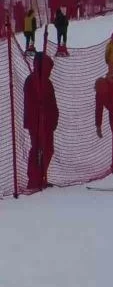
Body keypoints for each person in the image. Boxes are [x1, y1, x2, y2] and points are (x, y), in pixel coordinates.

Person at [23, 52, 59, 190]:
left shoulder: (47, 82)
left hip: (47, 122)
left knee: (48, 149)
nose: (49, 71)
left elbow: (52, 102)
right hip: (35, 122)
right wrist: (38, 118)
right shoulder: (32, 81)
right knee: (37, 148)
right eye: (47, 68)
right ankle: (34, 180)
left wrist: (54, 118)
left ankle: (40, 176)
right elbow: (31, 103)